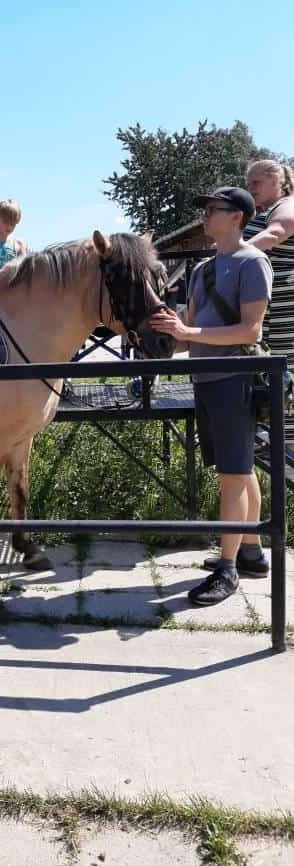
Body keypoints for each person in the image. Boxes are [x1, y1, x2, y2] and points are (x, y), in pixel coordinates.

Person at [149, 187, 272, 605]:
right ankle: (251, 551)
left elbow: (249, 331)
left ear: (236, 217)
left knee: (232, 476)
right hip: (205, 379)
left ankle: (228, 568)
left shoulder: (253, 263)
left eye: (212, 210)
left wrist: (189, 333)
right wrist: (168, 332)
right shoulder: (202, 269)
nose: (204, 216)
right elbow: (188, 328)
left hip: (235, 379)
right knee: (239, 469)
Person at [244, 159, 294, 463]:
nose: (250, 190)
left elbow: (277, 233)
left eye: (256, 183)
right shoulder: (265, 209)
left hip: (288, 306)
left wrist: (235, 254)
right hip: (272, 309)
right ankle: (278, 438)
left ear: (277, 181)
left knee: (286, 369)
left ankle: (288, 446)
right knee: (273, 370)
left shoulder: (286, 206)